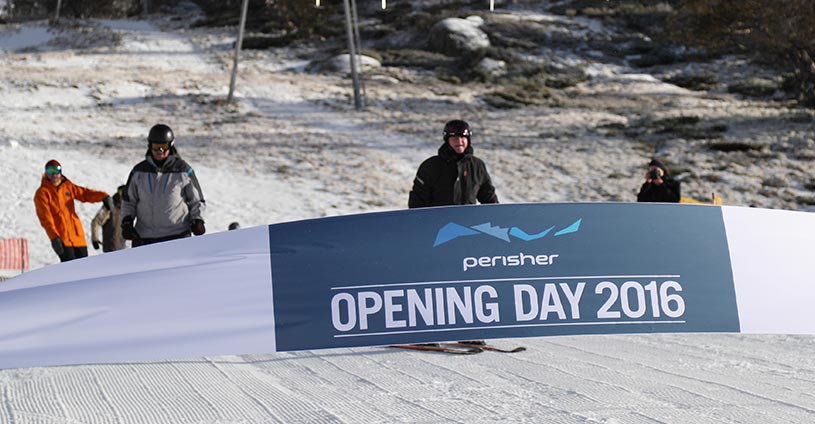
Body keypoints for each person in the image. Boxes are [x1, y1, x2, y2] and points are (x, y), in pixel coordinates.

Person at [121, 123, 206, 247]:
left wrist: (198, 220)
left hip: (177, 235)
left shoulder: (183, 170)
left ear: (170, 146)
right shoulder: (139, 172)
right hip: (145, 237)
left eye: (163, 147)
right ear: (150, 146)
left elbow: (196, 200)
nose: (159, 151)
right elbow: (129, 201)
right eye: (156, 147)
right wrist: (127, 222)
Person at [34, 159, 113, 262]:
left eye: (56, 170)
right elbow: (45, 218)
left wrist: (103, 196)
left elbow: (84, 194)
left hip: (77, 237)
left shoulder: (68, 187)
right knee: (70, 271)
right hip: (62, 239)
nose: (54, 174)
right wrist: (54, 238)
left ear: (60, 172)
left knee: (84, 268)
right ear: (46, 173)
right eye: (50, 171)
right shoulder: (42, 194)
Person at [408, 119, 498, 208]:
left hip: (468, 220)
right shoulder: (430, 166)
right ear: (447, 140)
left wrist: (498, 215)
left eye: (463, 137)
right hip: (438, 220)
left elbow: (488, 197)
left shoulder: (477, 166)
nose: (459, 141)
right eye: (454, 138)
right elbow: (417, 200)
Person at [90, 185, 127, 252]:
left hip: (123, 248)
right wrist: (95, 238)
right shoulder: (109, 206)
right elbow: (96, 222)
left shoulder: (127, 207)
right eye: (122, 192)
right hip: (111, 248)